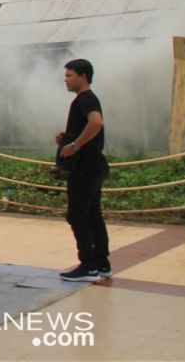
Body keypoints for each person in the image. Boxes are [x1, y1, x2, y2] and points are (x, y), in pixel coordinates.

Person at [55, 58, 111, 282]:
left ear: (83, 76)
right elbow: (88, 126)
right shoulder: (84, 100)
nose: (66, 80)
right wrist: (67, 138)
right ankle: (102, 263)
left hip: (85, 167)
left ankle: (88, 265)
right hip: (95, 165)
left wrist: (75, 145)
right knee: (93, 215)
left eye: (69, 75)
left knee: (77, 214)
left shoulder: (85, 98)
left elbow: (96, 123)